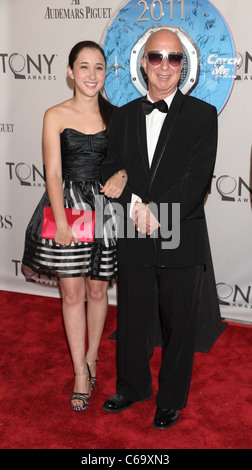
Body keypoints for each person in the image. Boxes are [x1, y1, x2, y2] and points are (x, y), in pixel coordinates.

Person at [101, 29, 218, 429]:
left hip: (179, 228)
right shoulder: (124, 115)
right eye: (156, 57)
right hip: (135, 226)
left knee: (178, 323)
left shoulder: (203, 115)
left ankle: (170, 398)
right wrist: (136, 205)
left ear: (183, 66)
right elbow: (110, 165)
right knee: (133, 315)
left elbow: (196, 178)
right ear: (143, 63)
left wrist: (158, 213)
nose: (164, 66)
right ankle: (132, 386)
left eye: (173, 58)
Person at [22, 41, 125, 412]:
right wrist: (61, 223)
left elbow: (128, 163)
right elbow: (52, 172)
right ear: (70, 72)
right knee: (71, 295)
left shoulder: (117, 116)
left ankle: (92, 358)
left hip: (105, 212)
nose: (91, 75)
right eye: (84, 67)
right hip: (67, 208)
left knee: (98, 293)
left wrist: (124, 173)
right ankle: (80, 373)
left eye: (99, 67)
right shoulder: (54, 114)